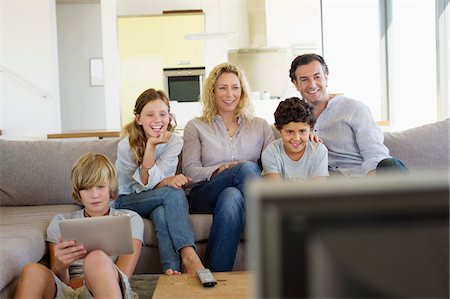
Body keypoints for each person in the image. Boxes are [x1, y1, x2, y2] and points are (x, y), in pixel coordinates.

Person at [182, 62, 275, 272]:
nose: (229, 94)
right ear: (212, 92)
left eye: (235, 87)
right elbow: (190, 171)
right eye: (222, 87)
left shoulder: (260, 126)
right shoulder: (195, 126)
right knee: (246, 169)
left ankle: (216, 279)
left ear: (242, 91)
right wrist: (220, 170)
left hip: (241, 196)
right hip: (204, 193)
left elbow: (272, 167)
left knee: (232, 196)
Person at [14, 152, 144, 299]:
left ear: (111, 187)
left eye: (100, 186)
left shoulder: (130, 219)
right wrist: (61, 266)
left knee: (96, 258)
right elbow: (60, 280)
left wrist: (91, 278)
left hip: (107, 288)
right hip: (67, 291)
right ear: (78, 191)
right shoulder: (60, 222)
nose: (94, 194)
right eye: (87, 188)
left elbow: (124, 274)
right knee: (32, 270)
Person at [113, 88, 204, 275]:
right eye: (150, 115)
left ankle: (171, 271)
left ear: (169, 117)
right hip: (126, 199)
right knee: (173, 192)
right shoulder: (125, 146)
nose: (158, 120)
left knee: (162, 213)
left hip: (156, 198)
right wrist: (151, 147)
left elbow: (158, 182)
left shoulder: (175, 142)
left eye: (163, 114)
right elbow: (143, 186)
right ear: (138, 119)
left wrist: (165, 181)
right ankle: (189, 256)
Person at [289, 53, 408, 176]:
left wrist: (372, 188)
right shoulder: (294, 120)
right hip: (326, 184)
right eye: (304, 79)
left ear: (326, 77)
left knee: (390, 165)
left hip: (362, 179)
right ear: (296, 84)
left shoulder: (354, 108)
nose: (312, 84)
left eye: (317, 77)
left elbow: (375, 153)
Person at [262, 97, 329, 180]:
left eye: (302, 131)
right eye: (289, 132)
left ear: (311, 128)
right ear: (279, 129)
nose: (296, 138)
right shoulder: (271, 152)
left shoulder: (319, 150)